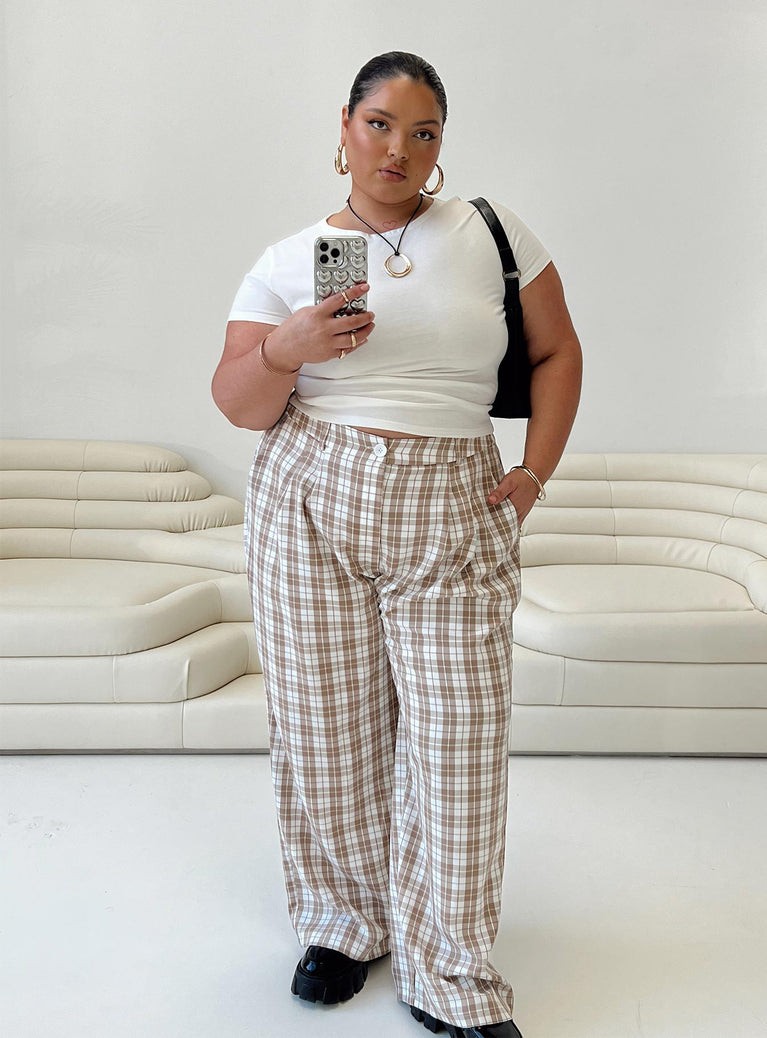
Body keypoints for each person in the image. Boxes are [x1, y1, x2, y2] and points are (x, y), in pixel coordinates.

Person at [212, 50, 582, 1038]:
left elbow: (555, 350)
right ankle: (343, 924)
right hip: (308, 491)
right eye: (378, 125)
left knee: (458, 740)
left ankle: (448, 967)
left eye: (422, 133)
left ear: (440, 146)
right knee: (323, 727)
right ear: (343, 129)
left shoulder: (487, 232)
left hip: (454, 493)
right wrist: (286, 348)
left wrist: (532, 472)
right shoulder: (290, 256)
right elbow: (239, 402)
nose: (398, 149)